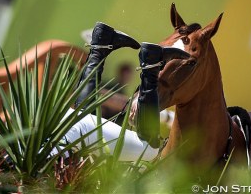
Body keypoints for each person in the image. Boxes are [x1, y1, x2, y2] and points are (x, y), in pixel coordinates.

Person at [50, 22, 189, 161]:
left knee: (149, 151)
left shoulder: (117, 89)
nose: (127, 75)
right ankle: (102, 45)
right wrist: (165, 117)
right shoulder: (111, 87)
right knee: (148, 152)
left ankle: (147, 62)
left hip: (70, 130)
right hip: (67, 124)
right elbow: (104, 98)